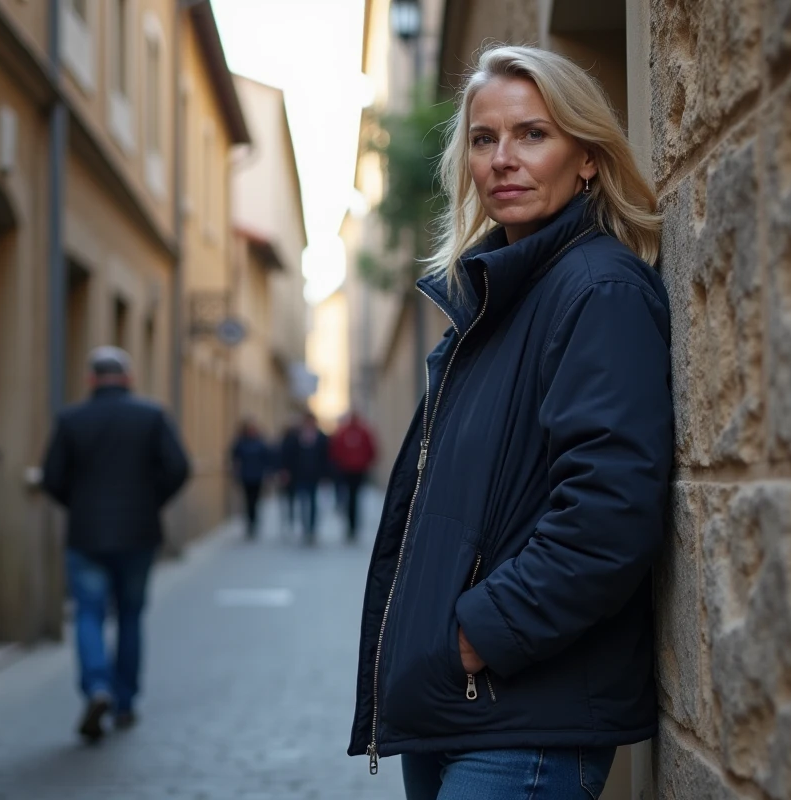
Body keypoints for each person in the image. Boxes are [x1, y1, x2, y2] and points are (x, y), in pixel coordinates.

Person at [348, 45, 673, 800]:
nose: (503, 159)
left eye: (533, 134)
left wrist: (475, 638)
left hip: (525, 723)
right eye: (484, 139)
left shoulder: (598, 292)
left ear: (587, 158)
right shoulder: (494, 303)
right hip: (460, 710)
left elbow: (610, 511)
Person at [41, 346, 190, 743]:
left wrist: (80, 505)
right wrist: (150, 501)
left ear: (91, 379)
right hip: (138, 534)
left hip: (86, 535)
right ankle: (124, 702)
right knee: (129, 616)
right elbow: (179, 468)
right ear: (129, 378)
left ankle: (96, 687)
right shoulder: (151, 416)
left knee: (88, 613)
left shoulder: (71, 419)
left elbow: (52, 477)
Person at [278, 412, 329, 545]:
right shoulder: (295, 437)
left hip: (314, 475)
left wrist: (325, 475)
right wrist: (286, 471)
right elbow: (288, 454)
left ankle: (311, 529)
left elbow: (326, 458)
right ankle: (305, 527)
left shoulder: (321, 438)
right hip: (299, 475)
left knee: (312, 502)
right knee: (301, 501)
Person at [328, 411, 378, 542]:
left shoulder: (362, 432)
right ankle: (351, 526)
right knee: (351, 499)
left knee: (354, 499)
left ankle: (353, 527)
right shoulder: (345, 432)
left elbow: (371, 450)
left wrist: (366, 463)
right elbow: (336, 450)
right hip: (347, 470)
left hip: (358, 470)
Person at [230, 419, 273, 539]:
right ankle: (249, 523)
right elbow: (235, 458)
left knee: (255, 501)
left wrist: (268, 474)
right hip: (245, 476)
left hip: (258, 476)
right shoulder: (241, 443)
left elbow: (267, 459)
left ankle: (254, 522)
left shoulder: (260, 443)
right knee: (247, 501)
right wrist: (236, 473)